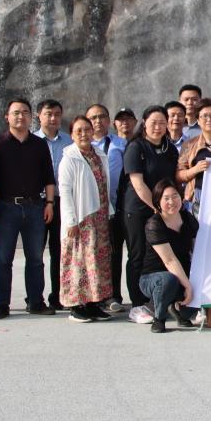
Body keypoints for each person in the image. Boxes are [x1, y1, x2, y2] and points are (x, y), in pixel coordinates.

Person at [0, 98, 56, 318]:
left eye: (25, 112)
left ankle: (36, 301)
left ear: (32, 116)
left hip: (35, 206)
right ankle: (2, 304)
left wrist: (49, 203)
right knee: (3, 259)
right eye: (16, 112)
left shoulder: (39, 144)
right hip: (6, 207)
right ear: (7, 117)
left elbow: (49, 177)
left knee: (36, 258)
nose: (21, 116)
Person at [122, 105, 179, 325]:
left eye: (162, 122)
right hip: (139, 210)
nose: (158, 127)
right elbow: (138, 184)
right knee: (137, 255)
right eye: (153, 122)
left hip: (163, 210)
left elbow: (173, 180)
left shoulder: (170, 148)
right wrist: (157, 208)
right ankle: (137, 304)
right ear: (144, 123)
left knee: (161, 256)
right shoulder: (136, 147)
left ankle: (158, 301)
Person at [57, 116, 114, 323]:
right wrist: (71, 220)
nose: (84, 134)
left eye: (87, 130)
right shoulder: (69, 158)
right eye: (79, 131)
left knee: (96, 262)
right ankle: (76, 306)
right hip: (81, 217)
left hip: (99, 216)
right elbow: (65, 191)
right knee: (78, 262)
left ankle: (93, 304)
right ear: (72, 134)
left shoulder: (98, 154)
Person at [140, 180, 197, 333]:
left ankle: (178, 310)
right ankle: (158, 318)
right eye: (166, 198)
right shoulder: (154, 224)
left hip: (181, 274)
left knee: (200, 281)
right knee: (168, 280)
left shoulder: (188, 219)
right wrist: (188, 286)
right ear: (157, 202)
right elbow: (170, 261)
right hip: (153, 277)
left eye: (175, 196)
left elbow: (197, 250)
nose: (172, 202)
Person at [87, 104, 126, 313]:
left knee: (114, 252)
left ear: (109, 120)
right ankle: (92, 296)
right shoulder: (81, 145)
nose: (97, 121)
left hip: (116, 206)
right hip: (90, 208)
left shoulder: (120, 143)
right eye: (93, 117)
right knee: (92, 253)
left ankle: (113, 295)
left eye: (101, 117)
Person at [34, 99, 72, 310]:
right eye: (48, 114)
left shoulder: (69, 141)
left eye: (57, 114)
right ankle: (35, 297)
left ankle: (58, 295)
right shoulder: (31, 141)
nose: (53, 118)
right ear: (39, 116)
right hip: (37, 201)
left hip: (62, 201)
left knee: (60, 251)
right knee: (36, 252)